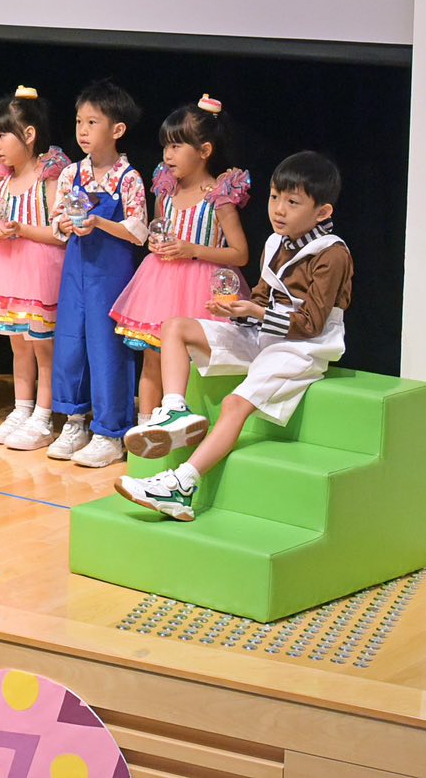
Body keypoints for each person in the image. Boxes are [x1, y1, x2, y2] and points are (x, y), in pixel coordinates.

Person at [118, 152, 352, 522]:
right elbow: (261, 296)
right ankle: (174, 411)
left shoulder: (331, 253)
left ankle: (181, 486)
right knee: (176, 326)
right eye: (274, 197)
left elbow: (311, 324)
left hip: (302, 347)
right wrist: (237, 310)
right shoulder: (275, 242)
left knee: (234, 404)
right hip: (264, 333)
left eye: (293, 202)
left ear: (322, 212)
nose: (279, 209)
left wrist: (257, 313)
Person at [110, 97, 252, 422]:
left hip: (202, 288)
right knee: (152, 359)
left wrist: (193, 250)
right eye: (165, 146)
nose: (168, 155)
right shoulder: (166, 191)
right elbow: (158, 230)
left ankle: (185, 424)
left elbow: (240, 253)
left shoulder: (218, 196)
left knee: (191, 362)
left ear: (204, 151)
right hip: (160, 283)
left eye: (176, 146)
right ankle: (146, 427)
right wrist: (157, 244)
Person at [46, 79, 149, 468]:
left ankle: (111, 431)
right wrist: (65, 225)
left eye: (92, 122)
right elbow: (57, 220)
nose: (83, 131)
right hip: (76, 270)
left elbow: (138, 230)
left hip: (111, 273)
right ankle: (75, 421)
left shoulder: (128, 178)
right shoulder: (72, 174)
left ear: (117, 129)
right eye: (79, 122)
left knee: (107, 348)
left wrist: (99, 223)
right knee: (71, 341)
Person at [0, 88, 70, 451]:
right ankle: (22, 408)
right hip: (8, 272)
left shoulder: (50, 176)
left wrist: (20, 230)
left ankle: (44, 415)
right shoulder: (2, 182)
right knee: (19, 345)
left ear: (29, 134)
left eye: (3, 135)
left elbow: (60, 233)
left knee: (42, 347)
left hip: (41, 272)